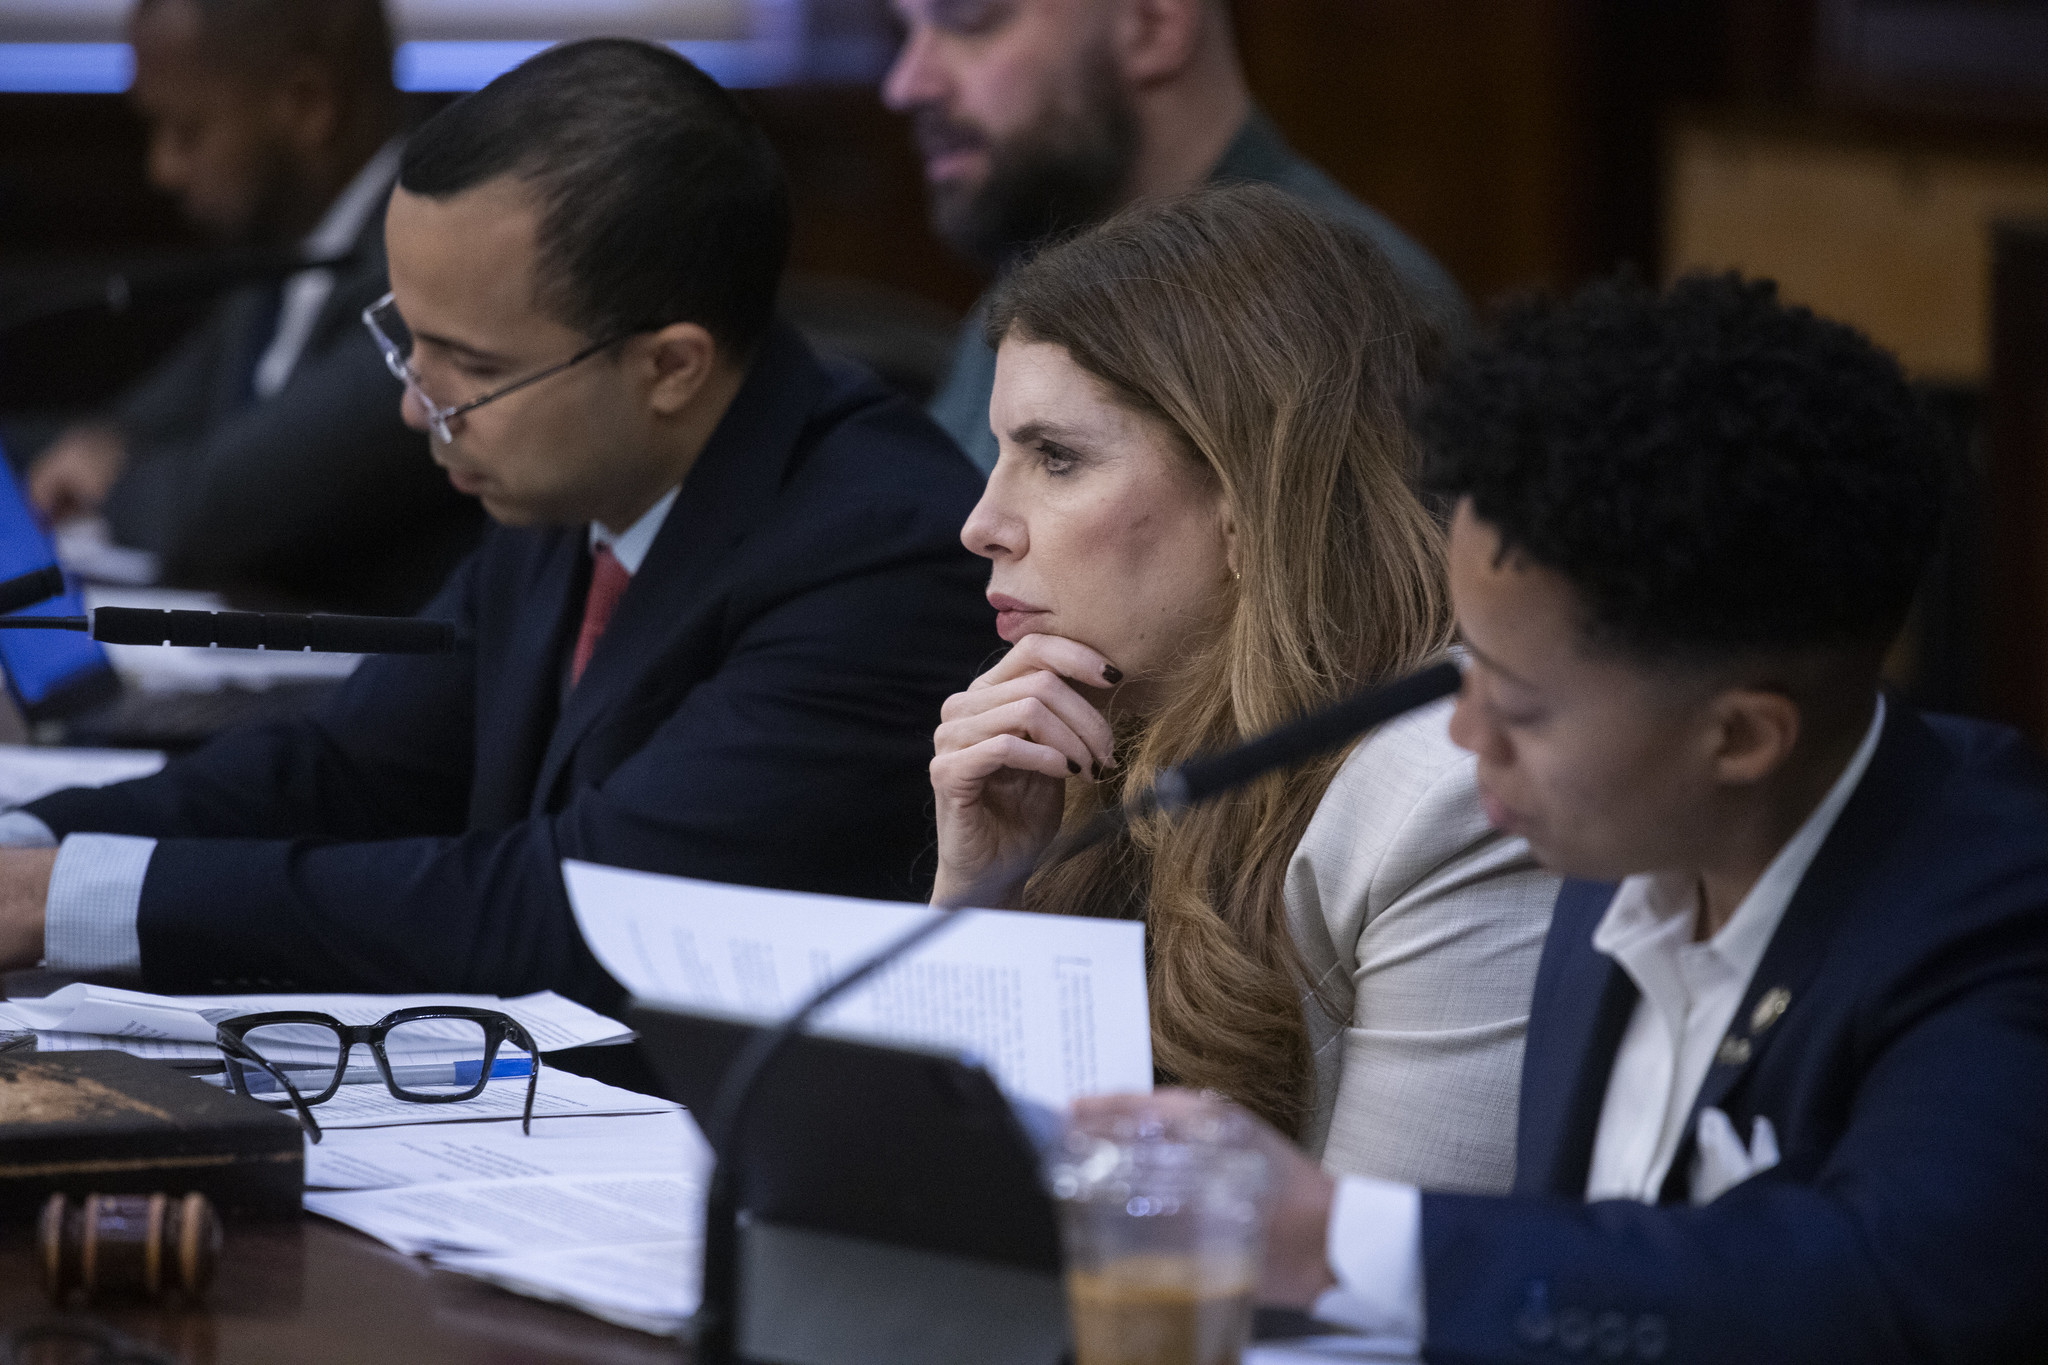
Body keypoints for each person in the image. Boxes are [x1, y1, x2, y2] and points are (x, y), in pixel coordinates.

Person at [1084, 274, 2048, 1363]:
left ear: (1738, 739)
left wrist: (1338, 1235)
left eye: (1520, 706)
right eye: (1465, 673)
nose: (1464, 738)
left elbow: (1895, 1283)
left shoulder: (1994, 916)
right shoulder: (1610, 836)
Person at [0, 40, 997, 1008]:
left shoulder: (878, 557)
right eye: (409, 343)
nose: (413, 410)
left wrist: (68, 903)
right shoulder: (574, 473)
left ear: (668, 367)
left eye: (470, 367)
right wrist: (29, 841)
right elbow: (348, 768)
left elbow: (582, 907)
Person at [930, 185, 1554, 1190]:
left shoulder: (1447, 793)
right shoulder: (1095, 732)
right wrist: (987, 892)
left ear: (1247, 494)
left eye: (1054, 457)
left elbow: (1368, 1292)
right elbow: (929, 1191)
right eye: (1002, 453)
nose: (982, 522)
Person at [24, 0, 482, 613]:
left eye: (187, 132)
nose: (162, 170)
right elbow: (117, 431)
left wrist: (115, 478)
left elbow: (213, 511)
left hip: (382, 684)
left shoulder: (427, 264)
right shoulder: (279, 259)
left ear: (307, 104)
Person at [884, 0, 1470, 475]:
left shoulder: (1345, 308)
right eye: (904, 30)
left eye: (967, 21)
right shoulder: (1043, 269)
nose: (906, 84)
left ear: (1153, 25)